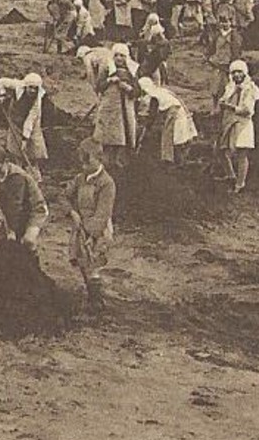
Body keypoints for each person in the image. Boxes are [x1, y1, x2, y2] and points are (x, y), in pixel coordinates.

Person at [65, 141, 117, 311]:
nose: (84, 166)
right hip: (80, 225)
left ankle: (97, 302)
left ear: (99, 159)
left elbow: (103, 214)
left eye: (88, 162)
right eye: (82, 162)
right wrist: (72, 212)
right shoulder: (80, 179)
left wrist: (90, 234)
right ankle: (90, 293)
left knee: (93, 265)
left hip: (97, 229)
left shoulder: (106, 183)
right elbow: (65, 196)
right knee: (82, 262)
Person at [90, 43, 138, 174]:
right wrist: (110, 80)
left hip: (125, 108)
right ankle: (104, 161)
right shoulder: (107, 69)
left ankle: (118, 161)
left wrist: (128, 88)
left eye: (122, 56)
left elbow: (137, 92)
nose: (118, 58)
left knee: (123, 135)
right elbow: (99, 86)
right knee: (107, 134)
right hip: (109, 107)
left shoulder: (131, 71)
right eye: (116, 55)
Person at [218, 60, 259, 193]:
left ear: (245, 73)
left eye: (239, 72)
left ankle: (240, 184)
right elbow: (223, 100)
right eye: (234, 72)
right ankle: (230, 175)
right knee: (221, 151)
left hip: (243, 124)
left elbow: (247, 110)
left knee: (242, 153)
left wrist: (230, 107)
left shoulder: (249, 89)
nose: (237, 75)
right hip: (230, 122)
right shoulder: (230, 87)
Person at [138, 76, 199, 165]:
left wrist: (148, 126)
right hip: (178, 111)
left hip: (174, 112)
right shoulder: (160, 91)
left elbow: (152, 114)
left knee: (169, 136)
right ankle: (173, 159)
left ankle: (168, 160)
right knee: (176, 136)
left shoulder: (154, 96)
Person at [0, 159, 48, 255]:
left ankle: (33, 264)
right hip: (18, 211)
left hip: (34, 211)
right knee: (0, 238)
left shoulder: (17, 177)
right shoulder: (1, 176)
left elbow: (16, 204)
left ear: (5, 162)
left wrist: (12, 230)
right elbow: (4, 203)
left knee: (28, 241)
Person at [0, 72, 49, 174]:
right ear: (26, 86)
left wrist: (25, 139)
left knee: (33, 146)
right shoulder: (17, 85)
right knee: (16, 148)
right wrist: (2, 95)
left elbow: (30, 120)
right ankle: (18, 171)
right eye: (30, 87)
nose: (32, 91)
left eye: (35, 88)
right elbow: (1, 81)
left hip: (32, 123)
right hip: (15, 120)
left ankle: (34, 171)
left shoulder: (37, 102)